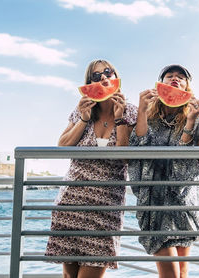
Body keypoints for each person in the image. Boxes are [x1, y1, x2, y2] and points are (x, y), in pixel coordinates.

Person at [45, 59, 138, 278]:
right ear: (89, 83)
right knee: (69, 276)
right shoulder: (82, 111)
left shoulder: (130, 111)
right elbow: (63, 146)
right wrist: (84, 119)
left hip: (106, 208)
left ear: (116, 76)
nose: (104, 78)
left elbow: (125, 157)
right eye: (96, 76)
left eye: (108, 73)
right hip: (71, 202)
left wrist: (120, 117)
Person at [128, 64, 199, 278]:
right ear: (159, 85)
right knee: (170, 273)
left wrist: (190, 121)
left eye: (181, 77)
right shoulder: (148, 117)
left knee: (182, 272)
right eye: (169, 76)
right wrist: (142, 111)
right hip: (153, 202)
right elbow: (139, 147)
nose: (175, 79)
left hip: (182, 201)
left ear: (188, 86)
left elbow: (185, 162)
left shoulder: (196, 118)